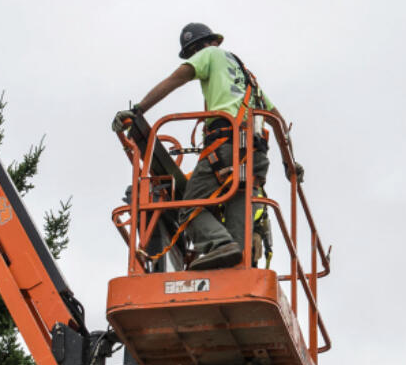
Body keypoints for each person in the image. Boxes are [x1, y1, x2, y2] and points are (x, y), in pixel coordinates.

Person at [112, 22, 289, 271]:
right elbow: (277, 120)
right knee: (238, 241)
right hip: (255, 155)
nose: (195, 56)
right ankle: (234, 267)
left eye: (194, 52)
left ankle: (218, 244)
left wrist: (138, 109)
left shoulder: (210, 54)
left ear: (205, 46)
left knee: (189, 207)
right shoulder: (248, 78)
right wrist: (289, 162)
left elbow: (177, 78)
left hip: (225, 146)